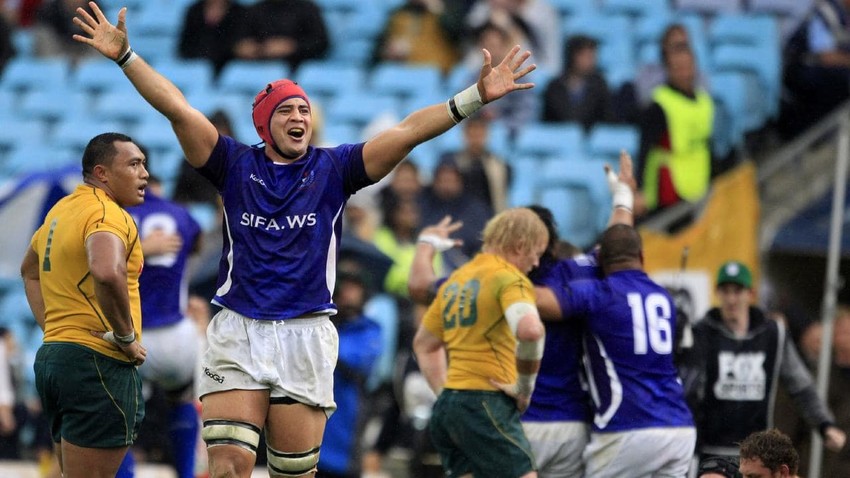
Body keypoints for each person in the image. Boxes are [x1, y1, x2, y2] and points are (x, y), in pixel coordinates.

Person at [72, 3, 536, 477]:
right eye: (287, 109)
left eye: (305, 110)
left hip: (306, 333)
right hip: (239, 330)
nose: (300, 116)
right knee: (228, 465)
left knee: (293, 473)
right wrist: (127, 56)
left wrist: (474, 96)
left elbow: (407, 131)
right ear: (264, 123)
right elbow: (177, 107)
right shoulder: (232, 164)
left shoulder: (334, 169)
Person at [19, 132, 149, 478]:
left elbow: (29, 271)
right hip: (98, 363)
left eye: (145, 164)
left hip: (55, 358)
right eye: (134, 164)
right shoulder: (107, 213)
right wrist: (125, 337)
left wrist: (54, 328)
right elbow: (106, 271)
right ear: (102, 173)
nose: (145, 173)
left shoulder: (61, 211)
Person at [541, 224, 696, 478]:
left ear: (600, 260)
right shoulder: (665, 297)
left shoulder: (599, 294)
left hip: (626, 427)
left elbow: (538, 302)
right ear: (642, 257)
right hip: (679, 427)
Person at [413, 207, 548, 478]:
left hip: (449, 408)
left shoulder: (456, 280)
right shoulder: (510, 278)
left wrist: (449, 394)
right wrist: (524, 389)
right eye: (537, 254)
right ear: (521, 246)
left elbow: (423, 344)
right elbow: (531, 330)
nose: (536, 264)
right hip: (487, 403)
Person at [682, 260, 847, 470]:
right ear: (718, 293)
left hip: (757, 452)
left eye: (738, 291)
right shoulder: (703, 332)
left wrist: (825, 425)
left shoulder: (771, 334)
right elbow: (686, 387)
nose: (732, 299)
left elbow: (801, 385)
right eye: (726, 291)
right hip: (712, 450)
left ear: (751, 294)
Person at [126, 172, 203, 478]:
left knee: (121, 413)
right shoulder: (181, 215)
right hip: (177, 335)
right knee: (181, 397)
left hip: (131, 334)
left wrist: (140, 249)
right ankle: (186, 473)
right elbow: (196, 246)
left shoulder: (117, 216)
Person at [635, 46, 714, 218]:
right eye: (678, 68)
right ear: (669, 70)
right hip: (668, 188)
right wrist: (639, 190)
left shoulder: (704, 100)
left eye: (688, 66)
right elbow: (644, 147)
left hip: (698, 180)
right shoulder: (660, 103)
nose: (684, 73)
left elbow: (707, 142)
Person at [318, 271, 383, 478]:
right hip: (314, 427)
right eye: (344, 287)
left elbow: (357, 361)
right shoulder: (322, 325)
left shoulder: (369, 329)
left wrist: (322, 340)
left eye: (354, 288)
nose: (348, 294)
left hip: (346, 429)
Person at [437, 114, 511, 213]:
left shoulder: (500, 166)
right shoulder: (449, 161)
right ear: (464, 134)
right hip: (454, 214)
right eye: (472, 133)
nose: (476, 138)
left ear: (487, 135)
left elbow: (500, 198)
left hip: (487, 217)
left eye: (480, 133)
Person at [231, 0, 330, 71]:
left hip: (296, 71)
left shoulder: (307, 8)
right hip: (259, 68)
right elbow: (239, 42)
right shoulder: (255, 9)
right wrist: (244, 48)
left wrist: (292, 46)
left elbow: (322, 43)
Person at [541, 34, 612, 130]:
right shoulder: (555, 86)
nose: (592, 61)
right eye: (586, 56)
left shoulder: (600, 85)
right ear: (573, 56)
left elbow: (606, 117)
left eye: (593, 56)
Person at [177, 0, 247, 76]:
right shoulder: (195, 10)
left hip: (226, 68)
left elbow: (238, 48)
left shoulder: (240, 12)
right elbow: (184, 47)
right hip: (196, 67)